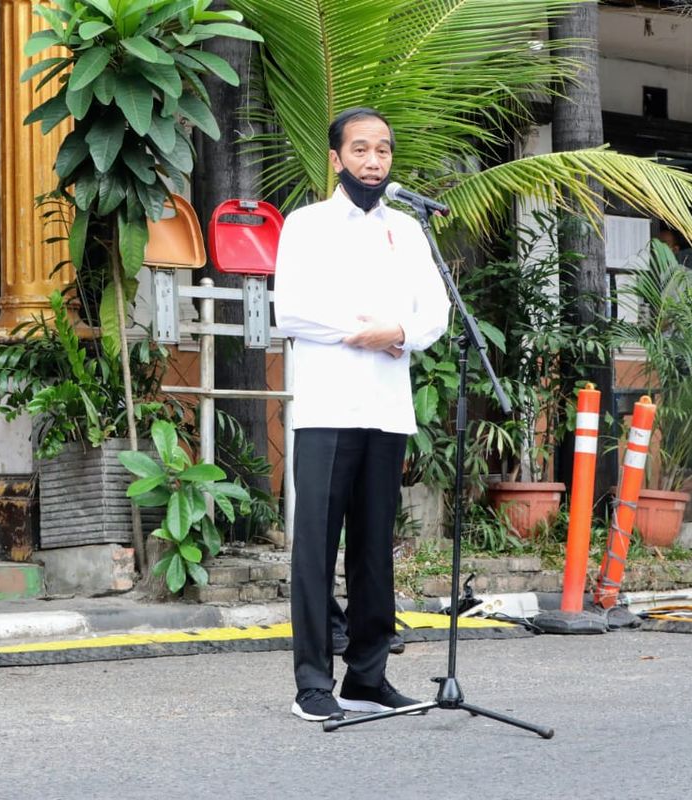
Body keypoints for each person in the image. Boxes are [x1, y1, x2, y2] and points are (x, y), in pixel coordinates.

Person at [274, 107, 450, 722]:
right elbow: (292, 310)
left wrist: (400, 330)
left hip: (387, 409)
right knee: (316, 551)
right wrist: (367, 332)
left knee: (375, 551)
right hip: (326, 407)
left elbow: (435, 313)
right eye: (360, 150)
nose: (373, 162)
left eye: (382, 150)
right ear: (336, 159)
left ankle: (367, 678)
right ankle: (313, 685)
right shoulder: (306, 225)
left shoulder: (408, 229)